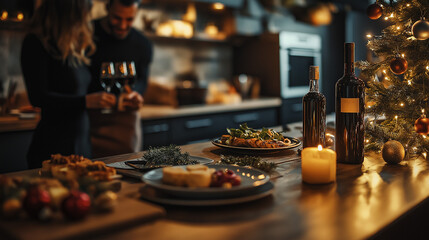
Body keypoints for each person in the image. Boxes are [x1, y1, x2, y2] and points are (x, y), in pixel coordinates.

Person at [21, 0, 116, 169]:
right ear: (68, 15)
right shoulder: (35, 43)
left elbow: (87, 89)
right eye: (81, 16)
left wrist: (120, 97)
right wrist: (85, 101)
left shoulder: (75, 47)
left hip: (81, 144)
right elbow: (38, 97)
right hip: (53, 145)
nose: (85, 21)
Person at [88, 0, 153, 158]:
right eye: (117, 18)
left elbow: (141, 81)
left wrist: (135, 94)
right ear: (107, 8)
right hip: (88, 118)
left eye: (129, 20)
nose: (123, 25)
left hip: (125, 120)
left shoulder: (143, 44)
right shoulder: (86, 33)